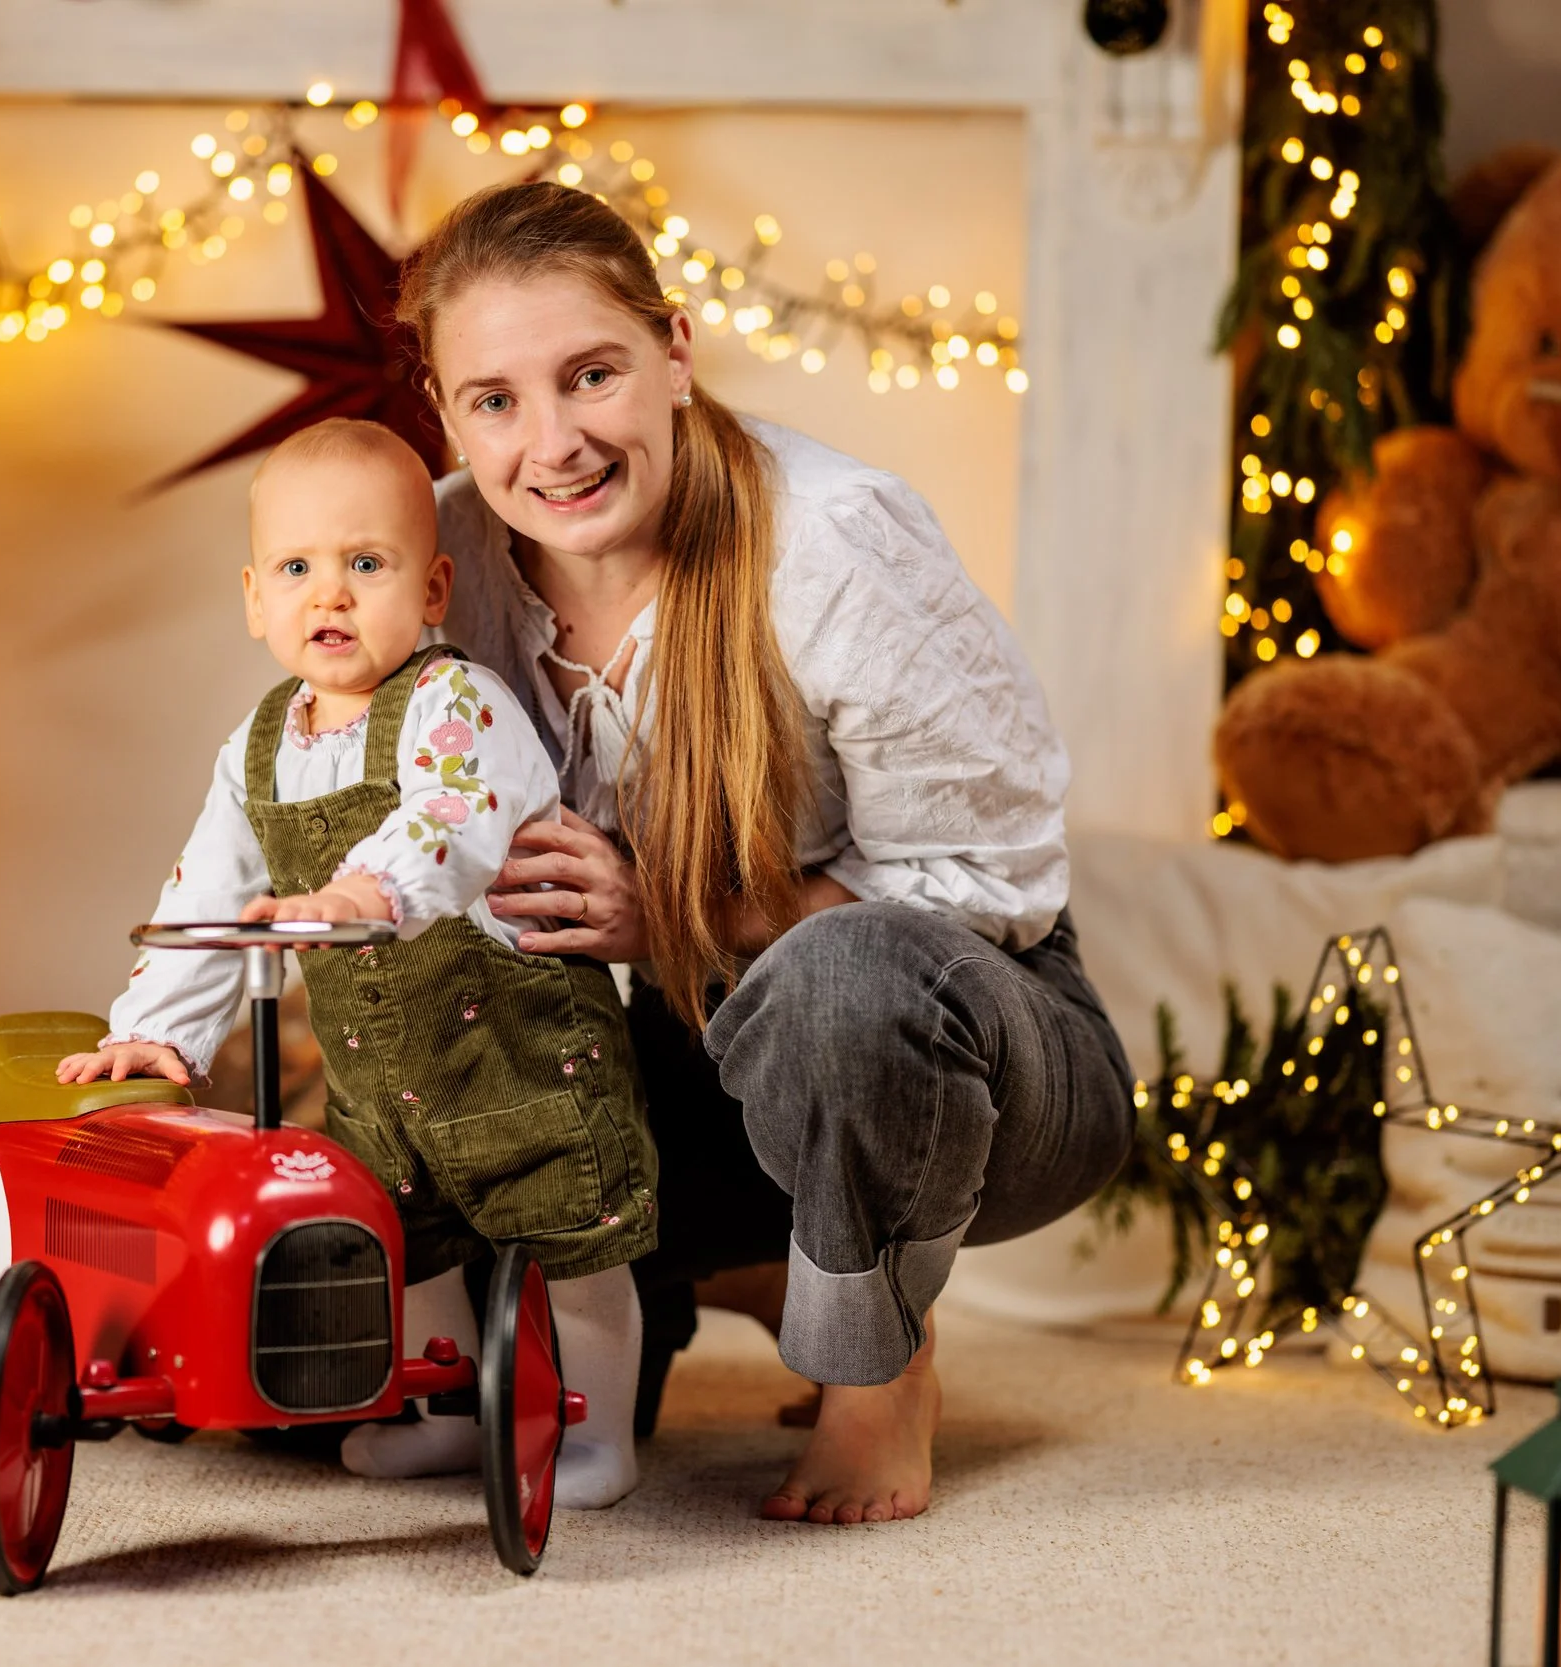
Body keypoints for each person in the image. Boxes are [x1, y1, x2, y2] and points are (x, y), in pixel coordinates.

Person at [394, 180, 1136, 1525]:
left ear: (675, 350)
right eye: (494, 399)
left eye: (592, 374)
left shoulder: (829, 537)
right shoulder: (442, 555)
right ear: (445, 411)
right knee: (426, 1234)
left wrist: (674, 916)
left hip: (976, 1055)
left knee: (839, 981)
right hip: (695, 1050)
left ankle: (878, 1368)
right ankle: (761, 1269)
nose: (553, 442)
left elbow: (989, 887)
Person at [60, 417, 653, 1509]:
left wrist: (360, 894)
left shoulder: (456, 704)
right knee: (402, 1242)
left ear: (431, 589)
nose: (329, 593)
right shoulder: (256, 751)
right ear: (254, 598)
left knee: (571, 1243)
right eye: (297, 568)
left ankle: (595, 1433)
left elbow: (450, 817)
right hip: (383, 1079)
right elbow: (209, 892)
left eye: (365, 564)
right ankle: (444, 1413)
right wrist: (155, 1031)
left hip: (519, 1054)